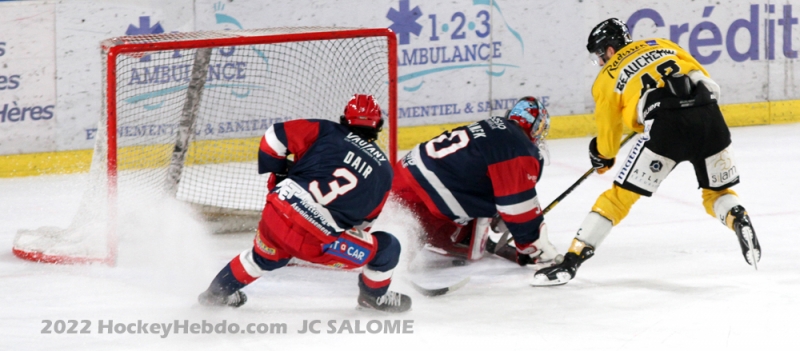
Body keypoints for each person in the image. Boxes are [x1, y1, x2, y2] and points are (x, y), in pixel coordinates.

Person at [533, 18, 760, 286]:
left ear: (608, 50)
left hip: (666, 127)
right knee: (717, 194)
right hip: (710, 118)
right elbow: (707, 85)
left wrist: (602, 156)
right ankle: (738, 218)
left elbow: (608, 143)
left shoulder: (606, 78)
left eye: (600, 55)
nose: (601, 62)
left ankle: (569, 263)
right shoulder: (664, 44)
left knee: (617, 199)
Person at [198, 94, 411, 313]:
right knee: (387, 247)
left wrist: (280, 175)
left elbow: (273, 138)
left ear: (343, 119)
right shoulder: (384, 171)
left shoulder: (325, 130)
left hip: (277, 213)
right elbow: (364, 224)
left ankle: (215, 294)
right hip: (318, 241)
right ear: (379, 127)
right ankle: (373, 298)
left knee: (262, 257)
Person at [392, 96, 561, 267]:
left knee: (406, 233)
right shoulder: (517, 148)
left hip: (404, 174)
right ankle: (386, 263)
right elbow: (517, 205)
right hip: (426, 192)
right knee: (407, 240)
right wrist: (533, 246)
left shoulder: (494, 126)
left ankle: (389, 255)